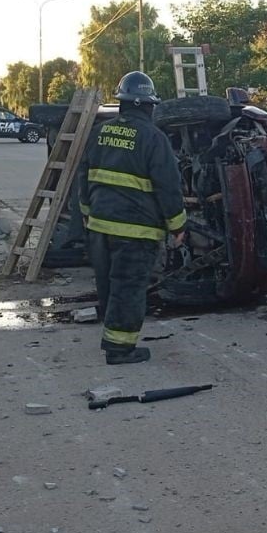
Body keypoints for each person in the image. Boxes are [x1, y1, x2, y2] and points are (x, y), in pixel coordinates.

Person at [76, 71, 186, 365]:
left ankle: (113, 336)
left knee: (110, 286)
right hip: (136, 232)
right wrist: (178, 225)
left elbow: (84, 177)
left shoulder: (101, 133)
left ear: (122, 103)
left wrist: (87, 214)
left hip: (99, 227)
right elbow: (168, 187)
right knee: (129, 288)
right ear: (149, 105)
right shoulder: (154, 138)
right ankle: (120, 349)